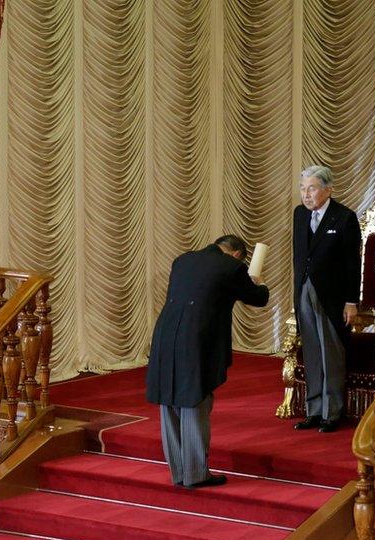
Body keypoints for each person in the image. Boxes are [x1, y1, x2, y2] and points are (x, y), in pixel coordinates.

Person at [146, 235, 270, 488]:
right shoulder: (231, 266)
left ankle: (179, 472)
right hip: (196, 337)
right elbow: (257, 298)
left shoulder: (182, 260)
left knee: (169, 399)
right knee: (194, 397)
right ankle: (195, 474)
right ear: (237, 254)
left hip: (166, 333)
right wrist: (258, 281)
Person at [292, 165, 361, 433]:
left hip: (333, 297)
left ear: (328, 189)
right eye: (303, 189)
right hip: (304, 291)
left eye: (311, 188)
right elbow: (300, 258)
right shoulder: (299, 215)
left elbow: (352, 264)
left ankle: (332, 412)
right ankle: (314, 410)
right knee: (311, 352)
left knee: (330, 352)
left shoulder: (344, 218)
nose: (306, 194)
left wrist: (351, 301)